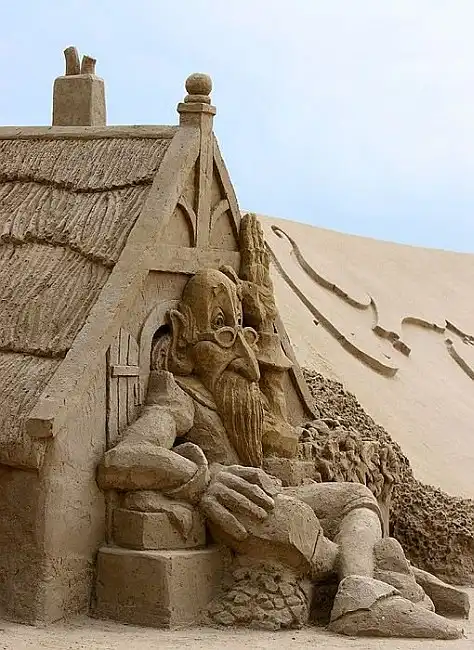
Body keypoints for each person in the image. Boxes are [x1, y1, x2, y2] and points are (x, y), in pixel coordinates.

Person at [98, 215, 461, 639]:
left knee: (357, 497)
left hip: (269, 494)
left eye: (244, 332)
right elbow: (121, 459)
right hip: (236, 509)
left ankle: (359, 585)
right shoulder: (179, 396)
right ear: (182, 341)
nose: (241, 350)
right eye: (222, 331)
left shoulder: (239, 399)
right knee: (294, 520)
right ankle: (371, 573)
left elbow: (283, 438)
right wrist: (203, 479)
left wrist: (265, 321)